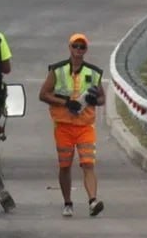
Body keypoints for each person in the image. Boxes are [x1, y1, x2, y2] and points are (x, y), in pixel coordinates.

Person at [38, 33, 106, 218]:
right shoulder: (57, 70)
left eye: (81, 47)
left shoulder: (93, 72)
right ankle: (68, 202)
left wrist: (94, 99)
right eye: (75, 46)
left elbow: (102, 99)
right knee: (65, 166)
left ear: (85, 50)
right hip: (64, 126)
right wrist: (65, 102)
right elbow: (43, 94)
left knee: (88, 164)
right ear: (69, 47)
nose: (78, 50)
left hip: (85, 126)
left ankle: (93, 201)